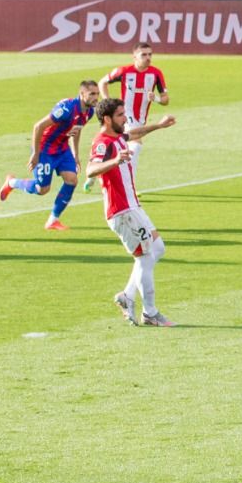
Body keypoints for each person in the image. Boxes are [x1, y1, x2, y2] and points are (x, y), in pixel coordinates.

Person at [85, 97, 177, 327]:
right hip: (122, 211)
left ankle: (127, 296)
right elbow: (90, 170)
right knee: (145, 256)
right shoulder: (102, 143)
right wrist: (115, 161)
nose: (124, 118)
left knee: (157, 248)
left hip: (132, 206)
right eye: (119, 115)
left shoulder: (118, 137)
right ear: (106, 119)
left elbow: (133, 134)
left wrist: (159, 125)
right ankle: (150, 313)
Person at [0, 79, 101, 231]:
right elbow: (38, 126)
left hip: (62, 149)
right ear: (82, 94)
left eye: (97, 94)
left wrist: (75, 154)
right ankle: (12, 183)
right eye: (92, 94)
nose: (96, 97)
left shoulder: (89, 112)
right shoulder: (66, 109)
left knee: (72, 180)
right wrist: (35, 153)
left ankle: (53, 220)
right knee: (42, 189)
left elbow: (76, 130)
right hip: (45, 149)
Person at [98, 42, 169, 169]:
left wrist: (156, 98)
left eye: (150, 54)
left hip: (141, 118)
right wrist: (108, 103)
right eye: (144, 55)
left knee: (116, 142)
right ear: (134, 57)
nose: (148, 58)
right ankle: (130, 185)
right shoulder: (124, 71)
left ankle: (95, 173)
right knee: (136, 144)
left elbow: (165, 100)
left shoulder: (156, 73)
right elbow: (102, 82)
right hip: (124, 115)